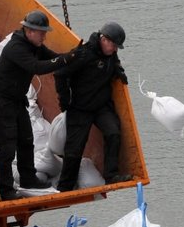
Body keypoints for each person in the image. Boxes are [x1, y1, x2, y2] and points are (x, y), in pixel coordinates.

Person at [0, 10, 73, 201]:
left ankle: (28, 179)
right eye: (41, 32)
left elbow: (52, 58)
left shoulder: (34, 45)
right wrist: (64, 60)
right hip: (1, 101)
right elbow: (37, 67)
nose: (44, 36)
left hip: (17, 100)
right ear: (29, 30)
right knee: (7, 146)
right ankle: (6, 190)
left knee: (26, 140)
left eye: (45, 32)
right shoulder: (16, 47)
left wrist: (72, 57)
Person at [53, 22, 133, 192]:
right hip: (80, 107)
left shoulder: (110, 54)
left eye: (117, 47)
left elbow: (114, 60)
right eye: (113, 45)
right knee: (75, 149)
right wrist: (65, 100)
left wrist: (118, 70)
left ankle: (111, 175)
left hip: (101, 106)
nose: (115, 50)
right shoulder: (83, 55)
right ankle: (65, 187)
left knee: (113, 133)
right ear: (103, 39)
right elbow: (60, 73)